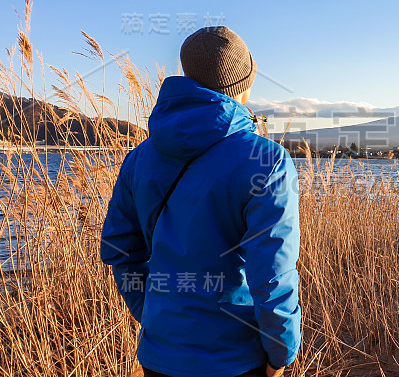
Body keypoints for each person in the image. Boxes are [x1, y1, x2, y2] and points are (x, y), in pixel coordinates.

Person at [101, 26, 301, 377]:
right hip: (237, 360)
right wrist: (280, 354)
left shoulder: (139, 159)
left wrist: (155, 313)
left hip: (159, 355)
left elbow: (119, 250)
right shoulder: (267, 161)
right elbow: (271, 275)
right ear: (245, 84)